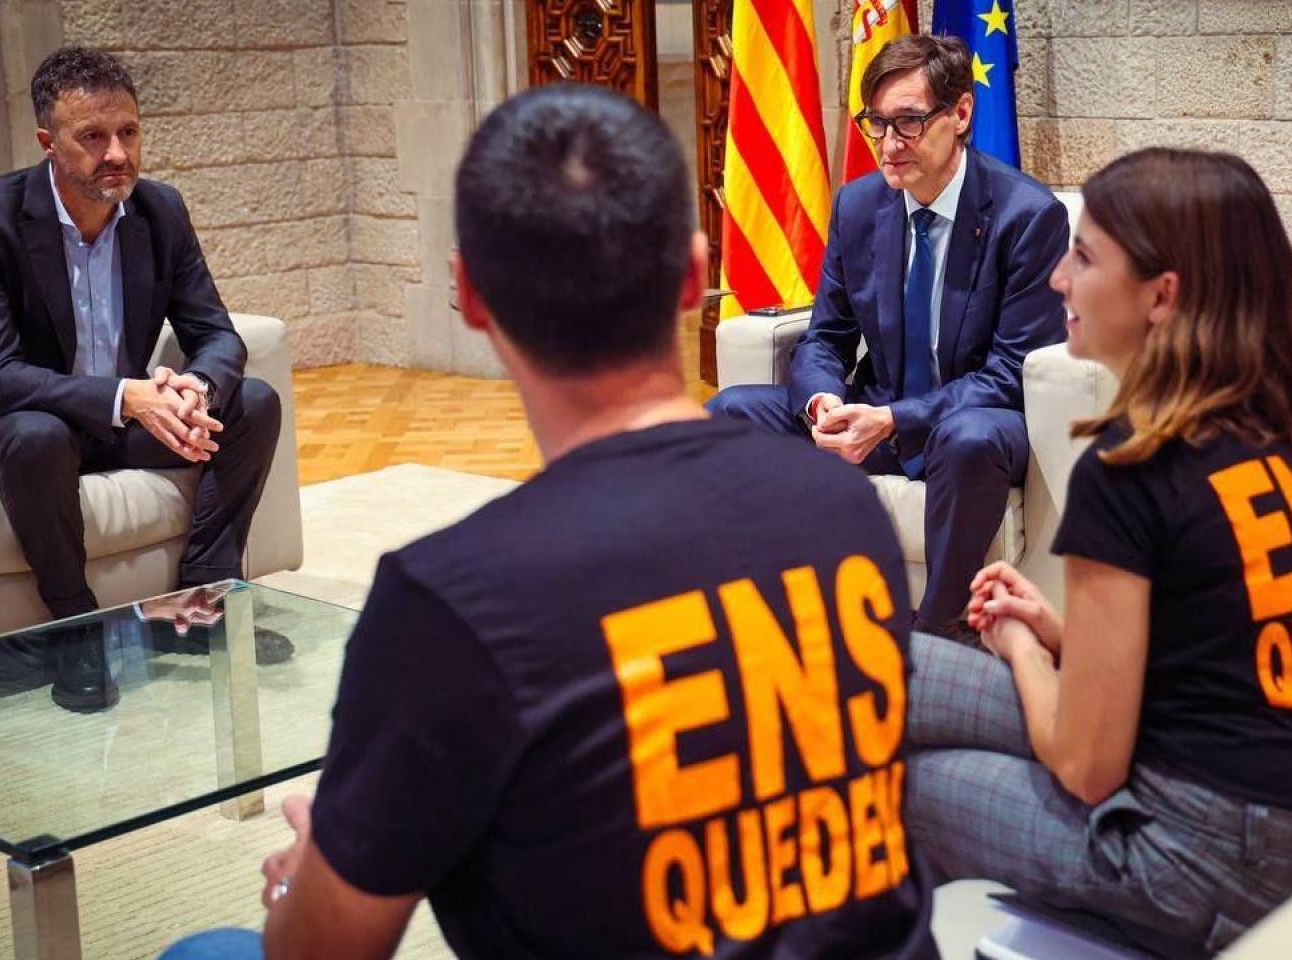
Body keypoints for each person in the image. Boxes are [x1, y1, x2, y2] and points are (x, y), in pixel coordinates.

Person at [161, 84, 936, 960]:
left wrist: (308, 873)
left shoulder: (450, 599)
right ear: (693, 275)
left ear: (471, 295)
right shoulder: (840, 505)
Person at [904, 148, 1292, 958]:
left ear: (1163, 295)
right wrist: (1057, 630)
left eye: (1083, 257)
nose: (1059, 280)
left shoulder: (1134, 468)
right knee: (870, 668)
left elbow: (1088, 766)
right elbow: (1221, 644)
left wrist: (1020, 647)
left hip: (1202, 858)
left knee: (885, 778)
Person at [0, 47, 282, 710]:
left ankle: (194, 610)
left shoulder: (159, 211)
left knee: (250, 403)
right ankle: (76, 631)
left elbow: (217, 334)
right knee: (38, 436)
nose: (117, 153)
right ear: (48, 144)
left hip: (105, 426)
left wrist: (195, 385)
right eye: (93, 137)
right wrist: (127, 396)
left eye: (129, 132)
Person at [706, 35, 1068, 640]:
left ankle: (937, 630)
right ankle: (761, 605)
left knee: (970, 437)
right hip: (878, 414)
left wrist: (894, 418)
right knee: (731, 410)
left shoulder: (1025, 217)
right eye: (876, 123)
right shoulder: (859, 205)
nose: (889, 145)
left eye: (908, 122)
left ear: (960, 115)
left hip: (973, 424)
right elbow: (826, 337)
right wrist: (823, 403)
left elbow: (1011, 374)